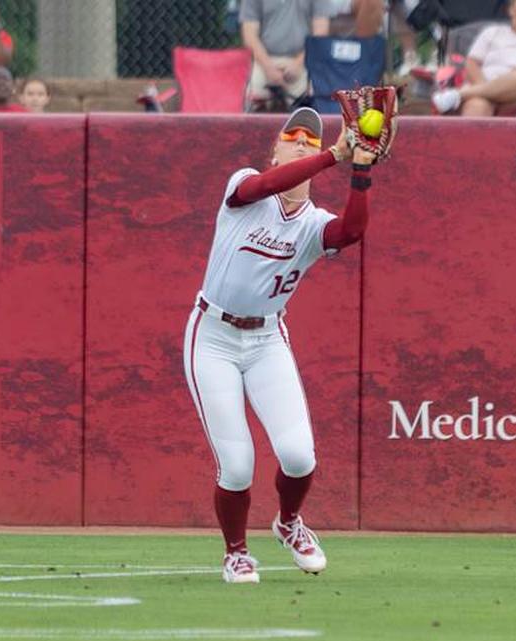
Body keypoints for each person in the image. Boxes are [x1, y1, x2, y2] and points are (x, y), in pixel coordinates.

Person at [184, 107, 378, 584]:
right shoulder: (246, 188)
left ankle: (289, 523)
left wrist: (362, 170)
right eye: (291, 137)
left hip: (267, 337)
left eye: (308, 141)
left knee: (298, 455)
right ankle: (236, 552)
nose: (300, 143)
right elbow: (260, 187)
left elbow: (351, 232)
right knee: (237, 463)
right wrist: (334, 153)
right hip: (212, 338)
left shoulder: (314, 223)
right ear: (274, 150)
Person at [431, 0, 516, 115]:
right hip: (485, 82)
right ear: (511, 10)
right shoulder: (492, 32)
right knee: (477, 105)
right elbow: (471, 63)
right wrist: (490, 89)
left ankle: (458, 95)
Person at [239, 0, 331, 109]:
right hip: (264, 61)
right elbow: (249, 36)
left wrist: (298, 64)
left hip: (303, 61)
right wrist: (269, 68)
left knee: (307, 110)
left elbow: (320, 33)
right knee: (252, 102)